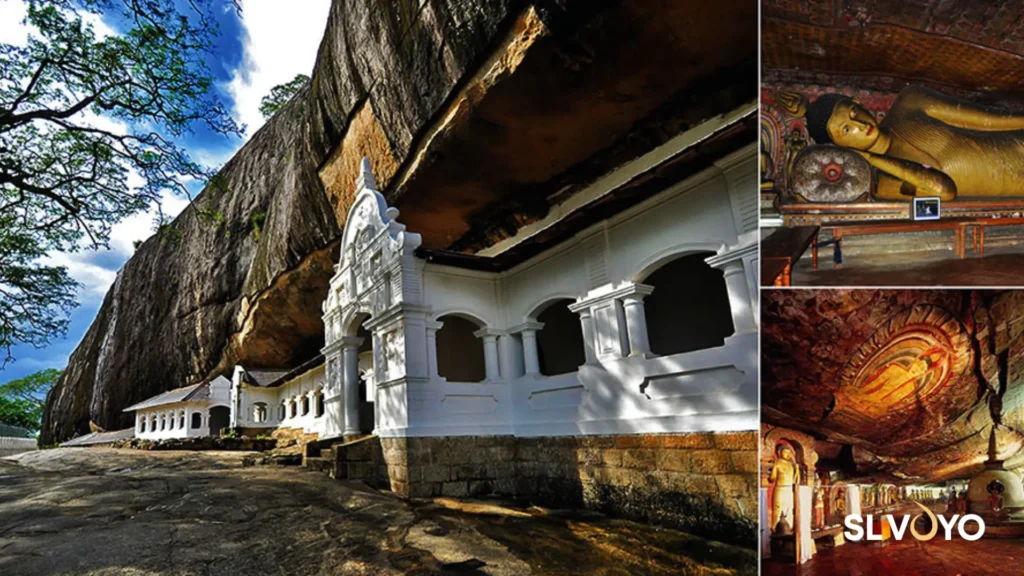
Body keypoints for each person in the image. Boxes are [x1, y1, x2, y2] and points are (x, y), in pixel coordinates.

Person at [805, 86, 1024, 201]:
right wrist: (869, 158)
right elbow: (943, 190)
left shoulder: (910, 102)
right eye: (846, 130)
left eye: (854, 112)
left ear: (857, 102)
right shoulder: (885, 182)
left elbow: (992, 120)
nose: (860, 126)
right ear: (841, 147)